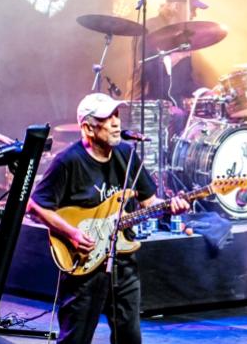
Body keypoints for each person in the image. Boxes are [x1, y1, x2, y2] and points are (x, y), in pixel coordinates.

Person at [27, 93, 190, 343]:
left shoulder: (127, 153)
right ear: (88, 128)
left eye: (116, 115)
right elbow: (35, 206)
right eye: (107, 117)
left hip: (123, 262)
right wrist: (72, 233)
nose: (116, 122)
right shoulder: (68, 161)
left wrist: (171, 206)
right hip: (85, 262)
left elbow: (149, 203)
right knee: (76, 337)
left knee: (129, 337)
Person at [130, 0, 208, 103]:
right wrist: (177, 56)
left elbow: (185, 82)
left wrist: (204, 92)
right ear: (177, 7)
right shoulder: (149, 29)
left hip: (175, 107)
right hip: (148, 107)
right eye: (192, 9)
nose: (194, 14)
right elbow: (147, 72)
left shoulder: (182, 37)